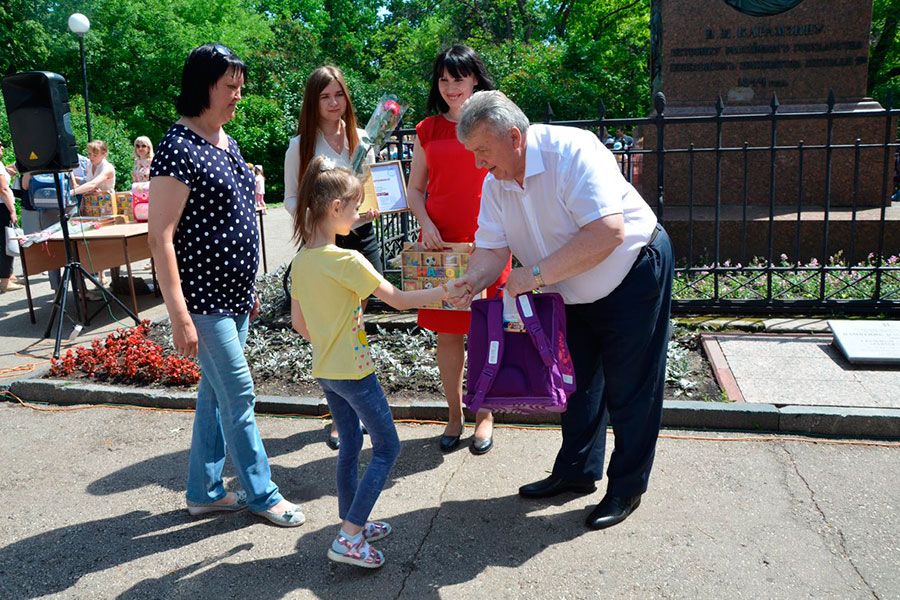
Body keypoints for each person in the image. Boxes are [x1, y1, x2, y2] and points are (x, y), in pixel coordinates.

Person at [449, 91, 674, 531]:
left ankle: (627, 488)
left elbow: (608, 233)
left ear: (514, 137)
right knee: (576, 383)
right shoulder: (496, 184)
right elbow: (492, 248)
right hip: (568, 288)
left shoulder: (572, 152)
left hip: (632, 272)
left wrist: (532, 275)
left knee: (631, 388)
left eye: (481, 152)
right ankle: (576, 471)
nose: (477, 165)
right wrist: (471, 280)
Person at [148, 43, 303, 527]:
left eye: (240, 85)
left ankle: (204, 491)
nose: (238, 94)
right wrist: (178, 315)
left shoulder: (227, 142)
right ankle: (262, 493)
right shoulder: (178, 148)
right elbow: (160, 237)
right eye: (229, 86)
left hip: (234, 297)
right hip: (202, 302)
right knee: (239, 398)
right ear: (203, 87)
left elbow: (235, 220)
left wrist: (249, 286)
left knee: (215, 399)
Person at [289, 155, 459, 568]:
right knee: (387, 447)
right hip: (355, 371)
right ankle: (349, 537)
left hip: (328, 371)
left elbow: (299, 323)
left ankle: (353, 522)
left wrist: (331, 340)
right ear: (335, 209)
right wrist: (447, 291)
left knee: (350, 446)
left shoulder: (301, 261)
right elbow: (399, 300)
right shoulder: (346, 261)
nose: (361, 214)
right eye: (354, 206)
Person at [406, 44, 510, 455]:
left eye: (459, 78)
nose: (451, 87)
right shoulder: (427, 129)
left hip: (488, 245)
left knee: (485, 333)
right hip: (442, 247)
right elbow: (415, 189)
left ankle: (484, 414)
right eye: (444, 79)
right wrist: (425, 223)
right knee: (448, 338)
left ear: (475, 80)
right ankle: (454, 413)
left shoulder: (493, 123)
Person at [283, 65, 380, 451]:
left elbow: (370, 188)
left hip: (361, 235)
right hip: (323, 244)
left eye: (339, 94)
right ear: (314, 101)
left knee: (355, 322)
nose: (334, 102)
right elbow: (292, 196)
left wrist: (371, 208)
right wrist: (311, 222)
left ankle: (357, 406)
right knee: (328, 328)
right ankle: (341, 416)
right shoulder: (300, 146)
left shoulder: (363, 138)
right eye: (325, 96)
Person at [0, 141, 22, 293]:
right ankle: (5, 281)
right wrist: (13, 211)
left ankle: (9, 274)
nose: (2, 147)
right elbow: (3, 189)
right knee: (6, 243)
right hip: (2, 207)